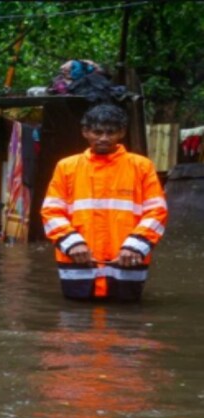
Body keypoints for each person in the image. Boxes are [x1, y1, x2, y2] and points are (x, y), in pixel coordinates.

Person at [41, 104, 168, 301]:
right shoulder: (66, 167)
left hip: (127, 259)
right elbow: (51, 211)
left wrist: (134, 246)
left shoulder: (141, 166)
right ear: (85, 132)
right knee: (75, 323)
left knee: (126, 322)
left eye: (111, 132)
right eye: (97, 132)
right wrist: (72, 243)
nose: (104, 138)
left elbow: (157, 211)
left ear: (122, 133)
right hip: (77, 259)